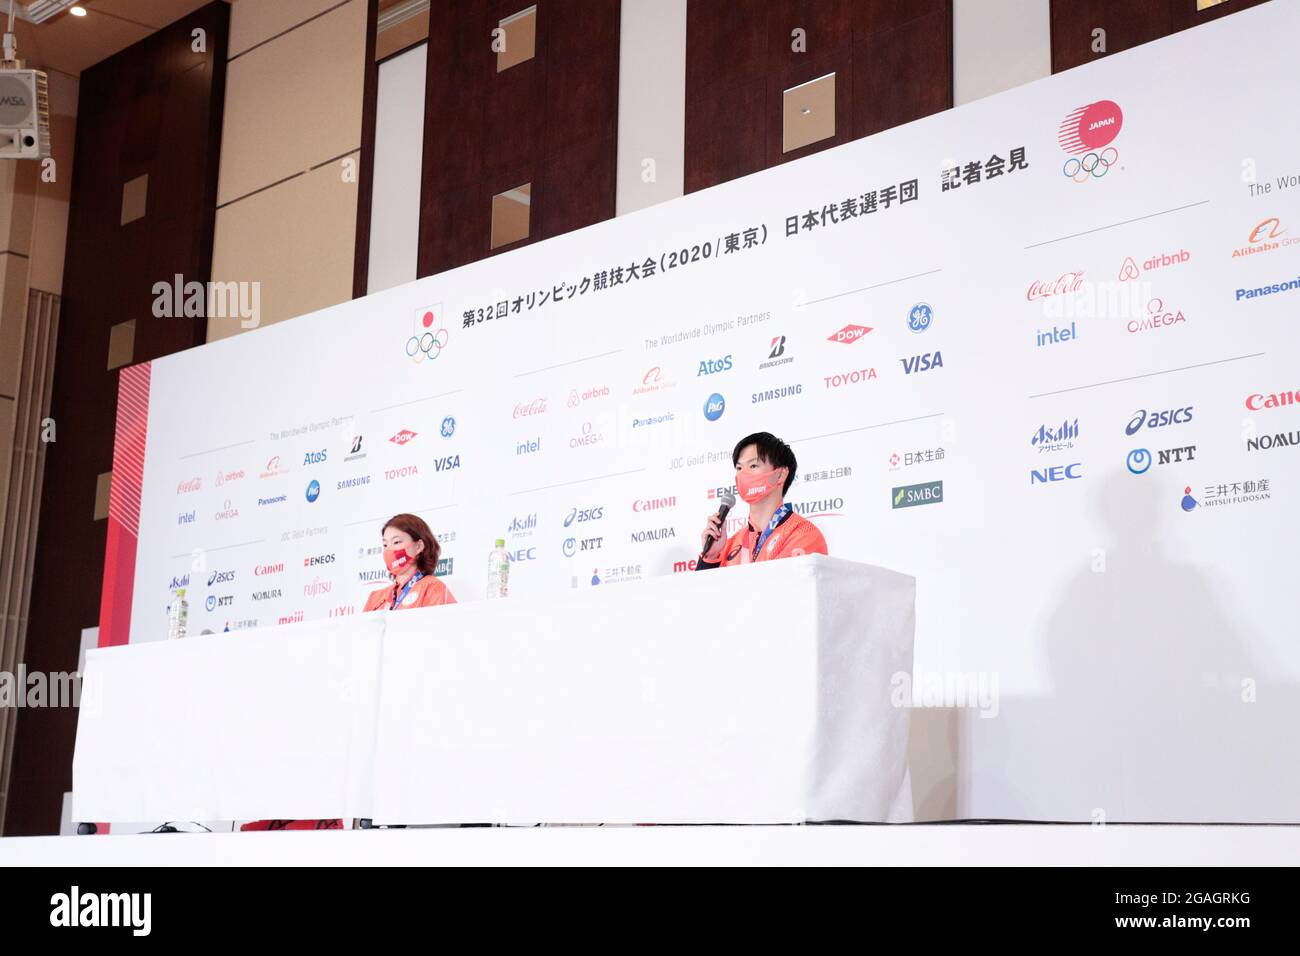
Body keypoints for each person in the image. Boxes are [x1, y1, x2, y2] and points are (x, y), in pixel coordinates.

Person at [696, 432, 827, 569]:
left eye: (753, 466)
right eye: (739, 468)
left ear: (781, 474)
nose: (743, 475)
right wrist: (710, 557)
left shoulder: (804, 535)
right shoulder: (728, 544)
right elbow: (700, 590)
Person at [362, 513, 456, 611]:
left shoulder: (433, 589)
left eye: (396, 542)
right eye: (385, 545)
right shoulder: (375, 598)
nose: (389, 550)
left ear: (419, 546)